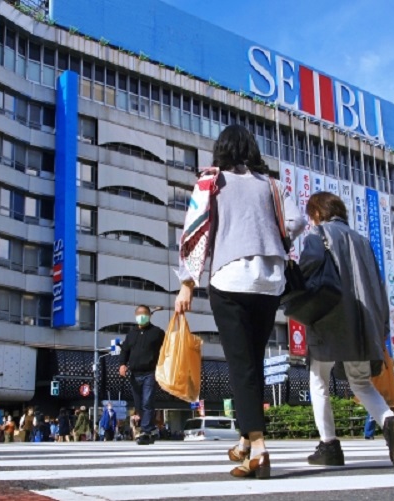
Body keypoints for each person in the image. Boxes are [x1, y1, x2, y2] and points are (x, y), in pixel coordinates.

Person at [175, 124, 305, 479]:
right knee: (254, 362)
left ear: (222, 150)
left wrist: (187, 283)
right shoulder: (272, 185)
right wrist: (273, 235)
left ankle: (259, 448)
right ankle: (246, 445)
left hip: (229, 278)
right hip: (269, 281)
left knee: (242, 365)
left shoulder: (211, 182)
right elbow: (299, 219)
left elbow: (194, 231)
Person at [299, 192, 394, 468]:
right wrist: (382, 326)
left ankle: (329, 445)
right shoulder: (362, 241)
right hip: (362, 322)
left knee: (318, 380)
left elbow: (306, 271)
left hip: (328, 319)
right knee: (360, 382)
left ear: (316, 213)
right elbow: (378, 285)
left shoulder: (318, 235)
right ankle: (389, 422)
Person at [118, 305, 165, 446]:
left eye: (144, 314)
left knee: (147, 401)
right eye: (139, 314)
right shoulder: (131, 334)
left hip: (150, 372)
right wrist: (122, 364)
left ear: (149, 316)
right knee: (139, 404)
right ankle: (151, 430)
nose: (142, 316)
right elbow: (124, 350)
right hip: (134, 373)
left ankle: (145, 430)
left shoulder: (157, 333)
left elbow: (166, 349)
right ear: (135, 316)